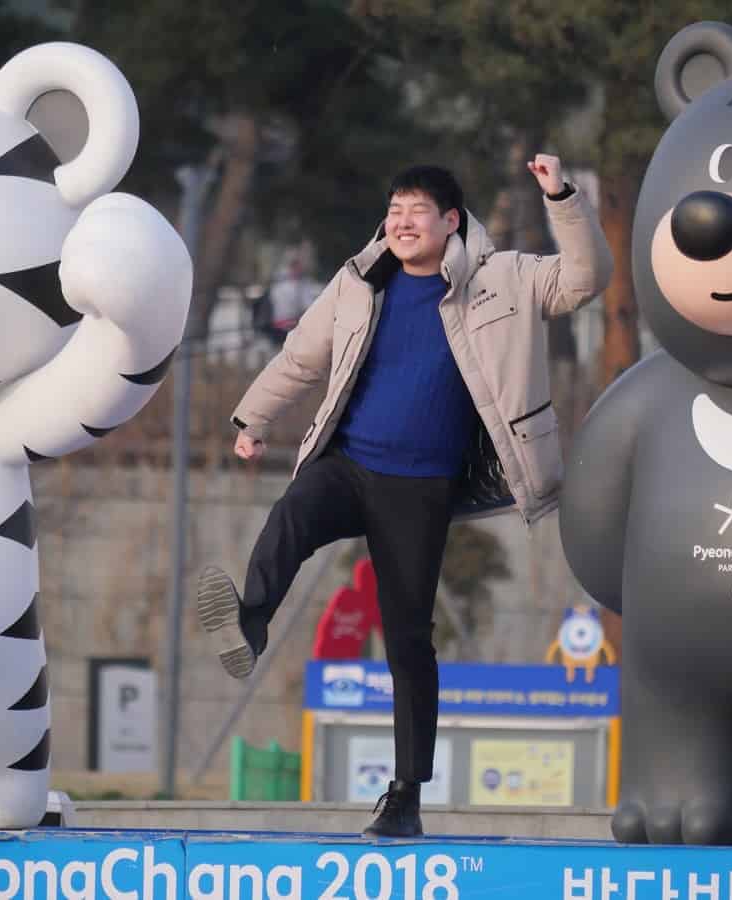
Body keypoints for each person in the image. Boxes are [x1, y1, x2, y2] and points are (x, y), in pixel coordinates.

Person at [197, 156, 612, 836]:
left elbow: (587, 278)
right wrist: (252, 418)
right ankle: (250, 621)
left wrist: (561, 197)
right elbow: (302, 355)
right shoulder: (359, 283)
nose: (400, 222)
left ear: (451, 222)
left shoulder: (504, 277)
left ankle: (404, 797)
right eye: (393, 211)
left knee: (409, 642)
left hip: (420, 489)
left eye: (416, 211)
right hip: (349, 462)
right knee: (292, 514)